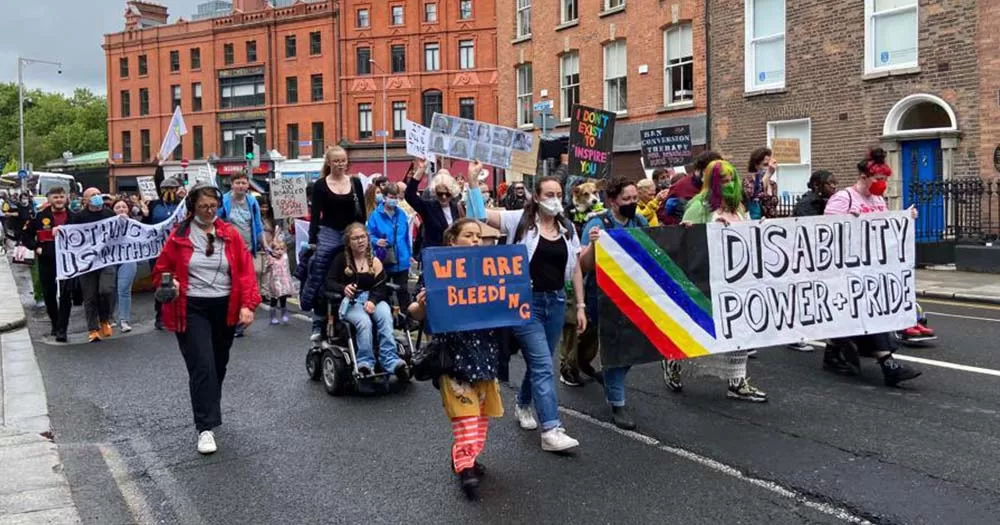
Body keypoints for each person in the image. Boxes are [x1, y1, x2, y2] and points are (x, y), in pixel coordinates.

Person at [481, 163, 583, 451]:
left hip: (556, 301)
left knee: (543, 360)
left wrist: (581, 306)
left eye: (558, 194)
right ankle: (551, 429)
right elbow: (478, 214)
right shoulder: (520, 221)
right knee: (541, 363)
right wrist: (477, 182)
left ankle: (524, 403)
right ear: (536, 197)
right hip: (525, 304)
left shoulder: (567, 227)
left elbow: (575, 268)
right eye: (548, 194)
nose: (554, 199)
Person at [153, 183, 261, 455]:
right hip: (191, 307)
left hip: (224, 305)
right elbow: (161, 271)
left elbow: (245, 270)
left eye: (213, 206)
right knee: (202, 365)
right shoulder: (179, 236)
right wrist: (171, 284)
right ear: (193, 208)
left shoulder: (230, 234)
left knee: (218, 364)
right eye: (203, 206)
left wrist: (248, 305)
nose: (209, 210)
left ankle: (210, 405)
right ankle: (205, 428)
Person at [408, 219, 503, 499]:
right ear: (452, 240)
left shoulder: (491, 269)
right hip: (454, 358)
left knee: (481, 417)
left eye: (478, 236)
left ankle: (466, 457)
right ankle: (465, 470)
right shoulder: (437, 271)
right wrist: (422, 305)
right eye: (469, 235)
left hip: (485, 355)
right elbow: (414, 313)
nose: (475, 240)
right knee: (466, 418)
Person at [661, 160, 768, 402]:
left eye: (732, 179)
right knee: (696, 326)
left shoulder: (738, 206)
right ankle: (673, 361)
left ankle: (737, 381)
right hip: (708, 278)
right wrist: (689, 230)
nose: (729, 184)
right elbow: (684, 241)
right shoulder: (699, 205)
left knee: (739, 328)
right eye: (724, 181)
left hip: (737, 278)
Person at [823, 148, 924, 386]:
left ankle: (833, 353)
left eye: (885, 180)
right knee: (866, 313)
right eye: (878, 179)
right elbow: (824, 233)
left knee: (866, 314)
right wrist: (847, 221)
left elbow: (885, 230)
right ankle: (888, 363)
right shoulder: (843, 198)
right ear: (863, 177)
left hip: (872, 270)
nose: (882, 184)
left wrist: (904, 218)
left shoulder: (879, 200)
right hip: (846, 271)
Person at [578, 177, 649, 429]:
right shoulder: (597, 224)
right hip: (603, 297)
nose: (632, 203)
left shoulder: (638, 221)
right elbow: (582, 266)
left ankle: (609, 380)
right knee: (616, 348)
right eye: (626, 199)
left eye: (634, 199)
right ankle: (617, 402)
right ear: (612, 201)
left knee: (633, 346)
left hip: (634, 295)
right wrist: (594, 246)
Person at [301, 146, 367, 338]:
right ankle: (318, 319)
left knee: (359, 267)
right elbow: (315, 216)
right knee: (319, 268)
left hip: (350, 230)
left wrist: (363, 236)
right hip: (329, 231)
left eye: (343, 160)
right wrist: (313, 241)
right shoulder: (321, 184)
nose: (340, 164)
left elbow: (362, 212)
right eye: (336, 161)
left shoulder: (355, 182)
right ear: (329, 163)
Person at [326, 223, 406, 378]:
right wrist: (343, 288)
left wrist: (373, 301)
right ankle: (365, 362)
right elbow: (329, 281)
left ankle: (389, 359)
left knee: (385, 317)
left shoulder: (374, 261)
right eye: (355, 238)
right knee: (364, 322)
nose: (360, 241)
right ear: (349, 242)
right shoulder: (341, 259)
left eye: (363, 237)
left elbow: (381, 286)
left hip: (373, 298)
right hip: (351, 301)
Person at [21, 186, 74, 342]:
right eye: (55, 197)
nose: (59, 200)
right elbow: (26, 235)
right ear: (49, 199)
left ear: (66, 198)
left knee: (66, 294)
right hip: (47, 260)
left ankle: (62, 329)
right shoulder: (39, 216)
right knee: (49, 294)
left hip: (67, 261)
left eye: (61, 197)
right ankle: (55, 323)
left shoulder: (74, 216)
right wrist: (35, 247)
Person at [71, 188, 117, 343]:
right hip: (87, 263)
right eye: (92, 195)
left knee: (106, 290)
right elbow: (69, 234)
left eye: (99, 194)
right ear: (85, 200)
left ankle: (104, 319)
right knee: (89, 296)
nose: (97, 197)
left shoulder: (110, 215)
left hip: (106, 260)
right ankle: (93, 329)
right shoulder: (79, 217)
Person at [146, 177, 184, 330]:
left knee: (178, 280)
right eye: (166, 188)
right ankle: (159, 315)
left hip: (177, 249)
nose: (169, 192)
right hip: (157, 250)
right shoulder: (154, 205)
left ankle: (177, 313)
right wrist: (144, 213)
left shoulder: (182, 204)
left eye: (172, 188)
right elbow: (145, 224)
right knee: (160, 281)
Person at [367, 182, 412, 309]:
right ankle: (387, 317)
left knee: (403, 291)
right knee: (383, 291)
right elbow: (368, 235)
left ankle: (407, 319)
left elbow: (406, 237)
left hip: (402, 259)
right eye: (391, 197)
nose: (394, 200)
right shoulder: (375, 216)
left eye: (396, 197)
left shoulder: (402, 214)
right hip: (384, 259)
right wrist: (376, 241)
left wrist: (410, 254)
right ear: (385, 197)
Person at [405, 159, 464, 249]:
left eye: (447, 194)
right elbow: (409, 195)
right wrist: (421, 170)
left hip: (455, 255)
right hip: (434, 255)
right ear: (435, 192)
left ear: (452, 193)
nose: (444, 197)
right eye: (440, 194)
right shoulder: (429, 207)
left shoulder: (457, 207)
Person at [659, 151, 721, 226]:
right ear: (700, 170)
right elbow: (662, 213)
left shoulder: (719, 185)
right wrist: (679, 224)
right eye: (713, 171)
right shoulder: (680, 186)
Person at [112, 199, 139, 333]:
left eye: (123, 207)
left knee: (124, 289)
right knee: (109, 289)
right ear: (113, 210)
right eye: (118, 207)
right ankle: (108, 317)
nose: (121, 209)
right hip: (111, 260)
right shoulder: (107, 225)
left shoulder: (135, 224)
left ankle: (124, 320)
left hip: (128, 259)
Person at [263, 238, 294, 325]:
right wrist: (269, 256)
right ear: (272, 250)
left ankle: (284, 313)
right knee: (274, 301)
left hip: (284, 283)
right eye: (277, 249)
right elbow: (266, 267)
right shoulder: (271, 259)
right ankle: (273, 317)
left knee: (283, 299)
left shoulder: (285, 257)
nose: (280, 251)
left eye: (282, 249)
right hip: (275, 283)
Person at [744, 147, 779, 220]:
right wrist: (767, 175)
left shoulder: (773, 184)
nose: (769, 167)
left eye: (769, 164)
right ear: (756, 165)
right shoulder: (748, 182)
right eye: (765, 164)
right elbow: (756, 197)